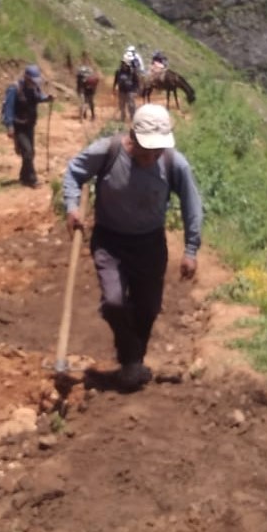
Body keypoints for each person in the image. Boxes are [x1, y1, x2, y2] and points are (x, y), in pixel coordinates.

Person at [61, 104, 204, 390]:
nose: (151, 157)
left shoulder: (173, 163)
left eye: (157, 151)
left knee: (148, 307)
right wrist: (72, 206)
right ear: (132, 136)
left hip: (150, 243)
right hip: (110, 241)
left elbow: (192, 205)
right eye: (145, 150)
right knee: (114, 302)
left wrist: (190, 249)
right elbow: (74, 173)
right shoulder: (107, 152)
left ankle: (133, 361)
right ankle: (131, 361)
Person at [0, 64, 54, 187]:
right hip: (18, 126)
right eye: (32, 81)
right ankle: (31, 179)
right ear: (26, 77)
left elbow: (38, 97)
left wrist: (47, 98)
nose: (34, 83)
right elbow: (8, 108)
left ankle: (23, 176)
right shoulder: (14, 88)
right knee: (28, 152)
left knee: (30, 152)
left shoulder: (34, 88)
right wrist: (9, 126)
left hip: (30, 125)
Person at [112, 57, 140, 122]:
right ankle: (123, 117)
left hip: (130, 91)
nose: (123, 65)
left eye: (125, 64)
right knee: (121, 105)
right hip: (121, 91)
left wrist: (136, 90)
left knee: (131, 105)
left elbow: (137, 82)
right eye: (122, 63)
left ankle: (132, 117)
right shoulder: (118, 72)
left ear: (128, 65)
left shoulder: (132, 72)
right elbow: (115, 81)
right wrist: (114, 88)